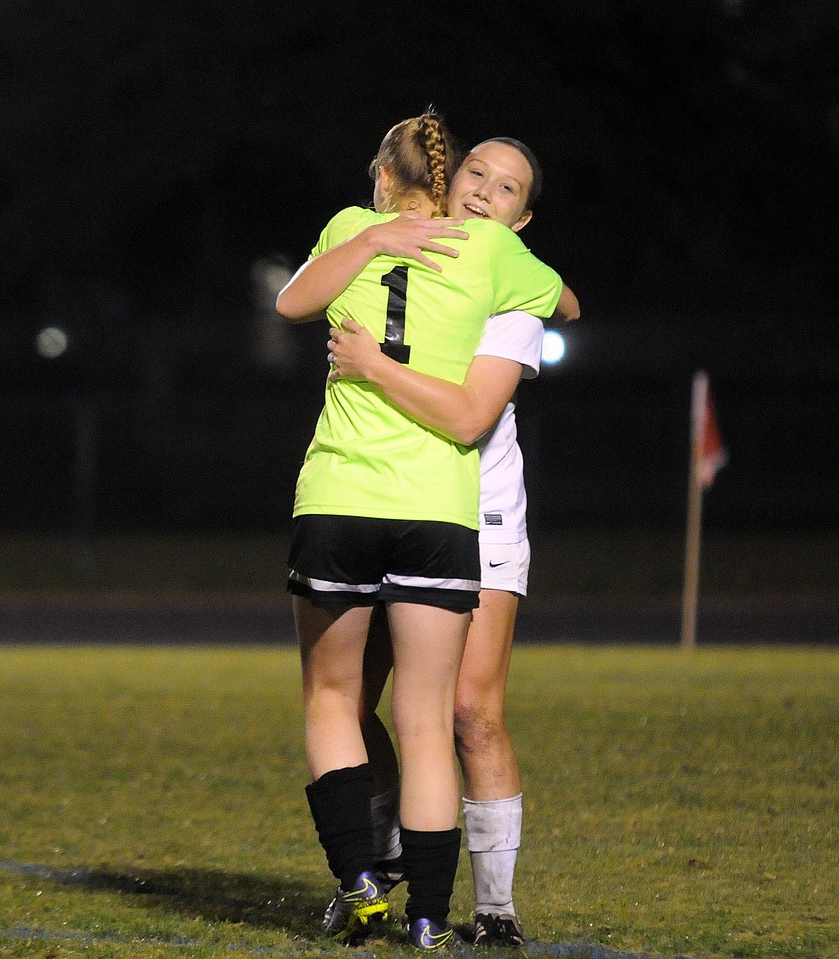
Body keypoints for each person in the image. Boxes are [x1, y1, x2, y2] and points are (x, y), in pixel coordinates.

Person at [277, 112, 568, 951]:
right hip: (428, 504)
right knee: (390, 708)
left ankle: (492, 906)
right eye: (475, 171)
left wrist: (373, 364)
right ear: (448, 177)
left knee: (463, 712)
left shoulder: (500, 271)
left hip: (472, 501)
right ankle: (399, 878)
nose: (483, 188)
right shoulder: (439, 246)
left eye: (505, 187)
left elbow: (475, 413)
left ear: (522, 220)